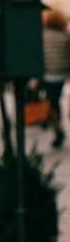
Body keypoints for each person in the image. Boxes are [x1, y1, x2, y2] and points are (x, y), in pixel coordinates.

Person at [41, 8, 70, 148]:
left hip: (47, 74)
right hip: (61, 74)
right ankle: (57, 124)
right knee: (55, 99)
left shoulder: (42, 35)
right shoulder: (66, 35)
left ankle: (57, 128)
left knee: (51, 101)